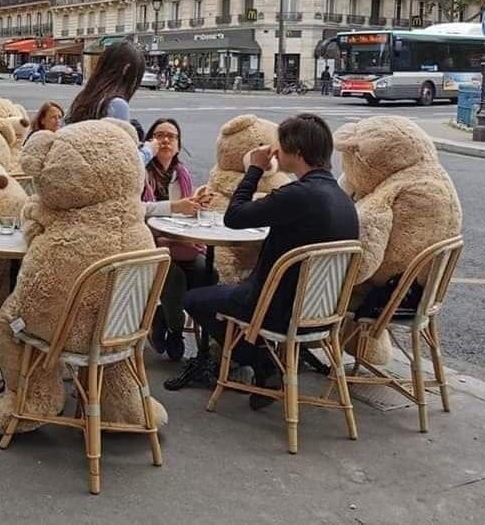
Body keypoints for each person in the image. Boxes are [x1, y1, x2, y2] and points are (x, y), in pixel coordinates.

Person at [170, 114, 359, 406]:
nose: (276, 152)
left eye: (280, 147)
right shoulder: (343, 199)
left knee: (195, 298)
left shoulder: (296, 195)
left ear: (295, 151)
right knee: (228, 291)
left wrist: (255, 169)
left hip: (276, 308)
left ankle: (263, 362)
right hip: (324, 312)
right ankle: (267, 365)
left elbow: (235, 217)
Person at [141, 119, 213, 362]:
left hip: (181, 243)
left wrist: (196, 205)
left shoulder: (181, 174)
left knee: (208, 272)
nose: (165, 140)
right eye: (159, 135)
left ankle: (207, 344)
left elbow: (185, 213)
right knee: (173, 275)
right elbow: (134, 208)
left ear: (179, 145)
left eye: (171, 136)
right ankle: (175, 329)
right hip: (148, 244)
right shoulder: (140, 171)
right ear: (149, 141)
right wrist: (174, 207)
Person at [65, 41, 145, 124]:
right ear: (126, 69)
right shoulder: (117, 105)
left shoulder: (83, 97)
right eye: (136, 76)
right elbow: (119, 136)